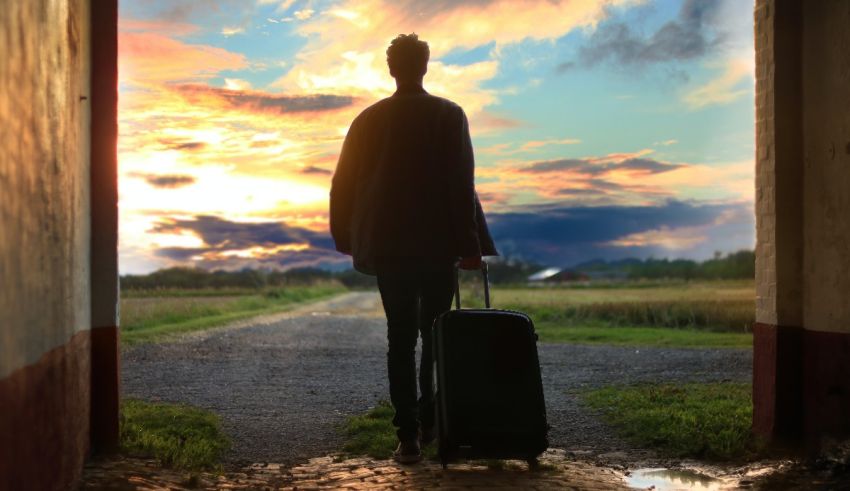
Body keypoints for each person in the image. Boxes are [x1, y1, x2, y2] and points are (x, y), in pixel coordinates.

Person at [329, 33, 497, 464]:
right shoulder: (449, 114)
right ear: (425, 66)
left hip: (388, 246)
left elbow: (343, 183)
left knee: (399, 339)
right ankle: (432, 423)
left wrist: (346, 237)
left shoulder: (367, 120)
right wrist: (470, 246)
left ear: (391, 69)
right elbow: (462, 186)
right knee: (436, 335)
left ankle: (408, 438)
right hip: (437, 244)